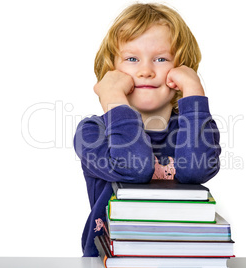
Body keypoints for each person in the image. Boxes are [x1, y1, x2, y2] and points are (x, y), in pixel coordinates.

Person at [73, 3, 221, 257]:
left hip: (181, 255)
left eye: (161, 59)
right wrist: (113, 98)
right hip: (112, 259)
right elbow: (134, 167)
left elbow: (197, 169)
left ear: (180, 69)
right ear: (111, 70)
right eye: (132, 59)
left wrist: (194, 93)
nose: (146, 71)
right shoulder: (92, 132)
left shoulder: (191, 125)